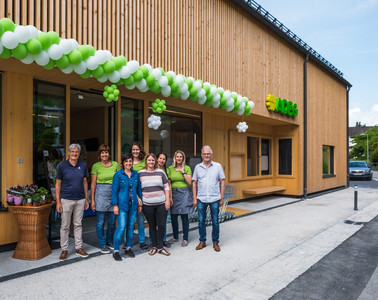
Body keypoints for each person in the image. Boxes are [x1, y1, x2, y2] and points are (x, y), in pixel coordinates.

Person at [55, 143, 90, 261]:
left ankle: (78, 248)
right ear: (69, 153)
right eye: (72, 152)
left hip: (80, 199)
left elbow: (85, 182)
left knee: (78, 224)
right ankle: (64, 249)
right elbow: (58, 184)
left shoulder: (83, 165)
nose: (74, 154)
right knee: (65, 225)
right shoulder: (62, 166)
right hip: (66, 199)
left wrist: (86, 198)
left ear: (79, 153)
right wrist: (58, 202)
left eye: (76, 152)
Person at [192, 145, 225, 252]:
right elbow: (194, 183)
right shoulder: (197, 167)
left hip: (215, 198)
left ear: (211, 155)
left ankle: (215, 242)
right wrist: (194, 198)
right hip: (201, 198)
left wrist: (222, 197)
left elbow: (222, 181)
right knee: (201, 221)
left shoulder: (218, 166)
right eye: (204, 154)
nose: (206, 155)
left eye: (208, 154)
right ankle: (202, 241)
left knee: (215, 221)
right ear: (202, 155)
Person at [111, 153, 143, 261]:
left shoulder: (135, 174)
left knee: (130, 228)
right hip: (122, 205)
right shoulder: (118, 175)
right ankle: (116, 251)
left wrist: (140, 202)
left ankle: (128, 247)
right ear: (123, 163)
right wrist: (115, 205)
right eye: (126, 161)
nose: (128, 163)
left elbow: (138, 190)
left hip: (133, 204)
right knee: (121, 227)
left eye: (130, 161)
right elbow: (114, 191)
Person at [139, 153, 171, 256]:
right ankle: (154, 246)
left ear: (155, 161)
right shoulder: (140, 173)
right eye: (149, 160)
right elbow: (135, 188)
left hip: (161, 203)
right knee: (152, 225)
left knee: (161, 225)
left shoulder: (161, 172)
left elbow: (166, 187)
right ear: (146, 161)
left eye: (153, 160)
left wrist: (167, 201)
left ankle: (160, 247)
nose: (151, 162)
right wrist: (138, 199)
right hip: (147, 204)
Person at [91, 144, 118, 254]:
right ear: (99, 154)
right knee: (100, 222)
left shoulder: (115, 164)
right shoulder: (96, 166)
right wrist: (92, 199)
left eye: (106, 152)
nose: (104, 154)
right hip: (100, 194)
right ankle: (102, 244)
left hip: (113, 194)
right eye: (102, 152)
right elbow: (93, 184)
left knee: (112, 222)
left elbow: (118, 180)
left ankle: (109, 242)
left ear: (109, 154)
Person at [167, 150, 193, 247]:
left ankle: (185, 238)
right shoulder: (170, 168)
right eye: (177, 156)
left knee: (184, 217)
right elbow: (169, 183)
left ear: (183, 158)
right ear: (175, 158)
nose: (179, 158)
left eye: (180, 157)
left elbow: (190, 182)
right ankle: (175, 237)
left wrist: (183, 173)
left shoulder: (187, 168)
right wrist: (170, 196)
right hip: (174, 193)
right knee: (173, 216)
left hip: (184, 193)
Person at [128, 142, 149, 251]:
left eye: (137, 149)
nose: (135, 152)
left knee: (141, 220)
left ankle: (142, 241)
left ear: (140, 150)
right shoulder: (128, 163)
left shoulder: (144, 163)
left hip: (142, 194)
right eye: (133, 150)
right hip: (130, 195)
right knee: (130, 221)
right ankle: (128, 242)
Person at [157, 152, 171, 248]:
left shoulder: (166, 170)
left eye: (163, 159)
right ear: (157, 159)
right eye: (160, 158)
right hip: (154, 197)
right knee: (154, 222)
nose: (161, 160)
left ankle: (163, 239)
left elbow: (169, 185)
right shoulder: (153, 169)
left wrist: (170, 198)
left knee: (163, 221)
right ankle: (154, 240)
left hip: (164, 198)